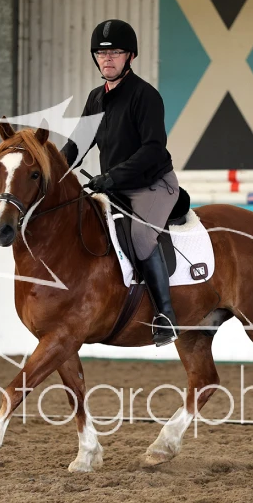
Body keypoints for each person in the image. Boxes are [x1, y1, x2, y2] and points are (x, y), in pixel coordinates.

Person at [61, 19, 180, 347]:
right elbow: (77, 145)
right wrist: (51, 170)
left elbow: (153, 149)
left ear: (130, 56)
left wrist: (113, 177)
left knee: (141, 237)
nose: (107, 59)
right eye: (102, 54)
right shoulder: (95, 99)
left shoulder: (146, 96)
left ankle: (166, 316)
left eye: (115, 52)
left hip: (152, 185)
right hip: (112, 188)